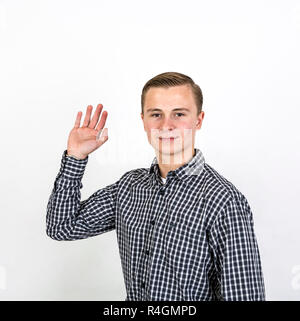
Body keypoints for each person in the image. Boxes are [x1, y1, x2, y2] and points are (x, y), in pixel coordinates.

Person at [46, 71, 266, 301]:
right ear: (143, 121)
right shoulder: (129, 188)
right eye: (156, 114)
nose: (166, 125)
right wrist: (76, 157)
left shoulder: (223, 201)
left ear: (198, 120)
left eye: (179, 114)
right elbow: (61, 227)